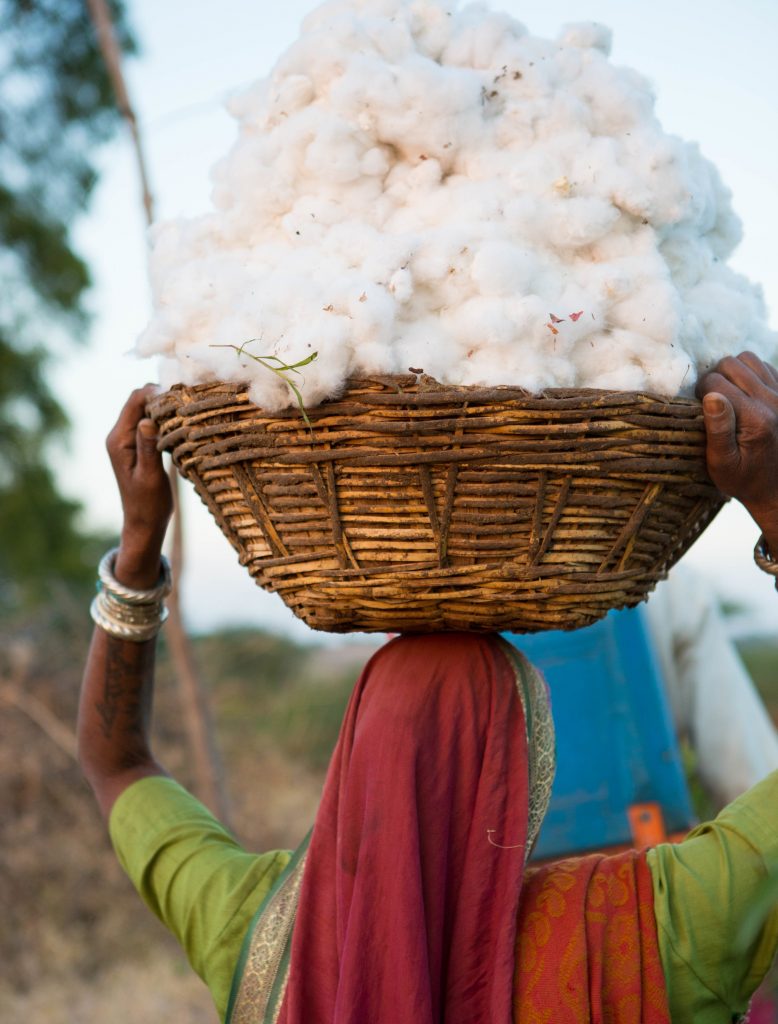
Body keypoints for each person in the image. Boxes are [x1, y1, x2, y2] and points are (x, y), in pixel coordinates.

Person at [79, 352, 778, 1023]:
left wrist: (139, 544)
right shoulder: (654, 930)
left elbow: (118, 765)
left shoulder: (252, 932)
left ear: (354, 762)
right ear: (520, 769)